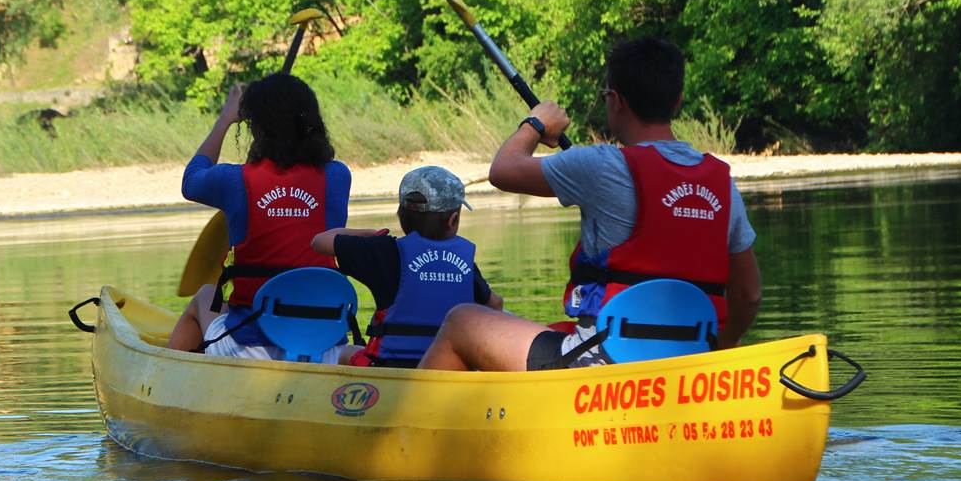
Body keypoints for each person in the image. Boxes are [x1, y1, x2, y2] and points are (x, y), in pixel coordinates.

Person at [419, 36, 761, 372]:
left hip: (603, 364)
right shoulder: (722, 183)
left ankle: (402, 424)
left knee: (461, 320)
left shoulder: (602, 165)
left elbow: (503, 170)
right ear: (678, 100)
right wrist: (716, 353)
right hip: (690, 362)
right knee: (552, 330)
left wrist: (536, 124)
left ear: (615, 101)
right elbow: (748, 296)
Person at [168, 73, 351, 361]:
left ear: (256, 126)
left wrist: (226, 119)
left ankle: (174, 384)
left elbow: (191, 181)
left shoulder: (233, 181)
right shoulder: (337, 176)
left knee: (205, 296)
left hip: (252, 348)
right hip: (324, 343)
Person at [312, 166, 504, 368]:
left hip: (390, 367)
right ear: (453, 219)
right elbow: (495, 305)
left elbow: (320, 242)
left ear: (400, 215)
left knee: (345, 352)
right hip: (449, 369)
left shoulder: (383, 251)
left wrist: (369, 235)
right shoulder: (464, 262)